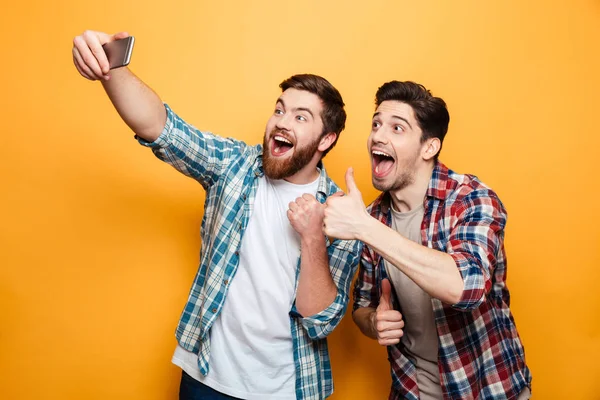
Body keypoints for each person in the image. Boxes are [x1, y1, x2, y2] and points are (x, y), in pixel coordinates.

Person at [72, 30, 361, 400]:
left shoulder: (342, 212)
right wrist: (110, 67)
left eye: (301, 117)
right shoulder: (233, 165)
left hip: (288, 388)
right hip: (206, 377)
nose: (281, 122)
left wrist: (312, 237)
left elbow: (320, 320)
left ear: (326, 140)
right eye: (279, 109)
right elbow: (160, 128)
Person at [323, 81, 532, 400]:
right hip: (411, 389)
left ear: (428, 147)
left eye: (397, 128)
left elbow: (465, 287)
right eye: (376, 124)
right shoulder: (372, 218)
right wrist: (375, 323)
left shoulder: (472, 200)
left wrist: (363, 228)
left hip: (487, 389)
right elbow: (362, 306)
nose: (378, 135)